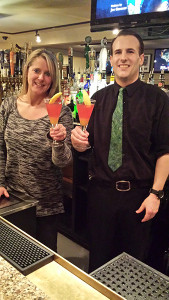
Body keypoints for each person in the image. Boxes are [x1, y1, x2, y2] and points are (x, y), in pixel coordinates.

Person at [71, 29, 169, 272]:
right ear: (111, 59)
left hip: (140, 197)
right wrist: (77, 141)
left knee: (138, 268)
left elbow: (165, 151)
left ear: (141, 58)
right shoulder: (96, 99)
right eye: (118, 52)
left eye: (130, 52)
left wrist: (155, 194)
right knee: (100, 264)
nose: (123, 57)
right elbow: (86, 142)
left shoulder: (159, 100)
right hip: (101, 196)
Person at [0, 49, 73, 251]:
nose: (41, 78)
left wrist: (57, 142)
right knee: (12, 260)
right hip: (11, 200)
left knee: (43, 266)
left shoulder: (59, 111)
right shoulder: (8, 105)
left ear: (53, 78)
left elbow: (64, 161)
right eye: (37, 70)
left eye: (48, 73)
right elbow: (0, 148)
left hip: (46, 205)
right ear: (27, 71)